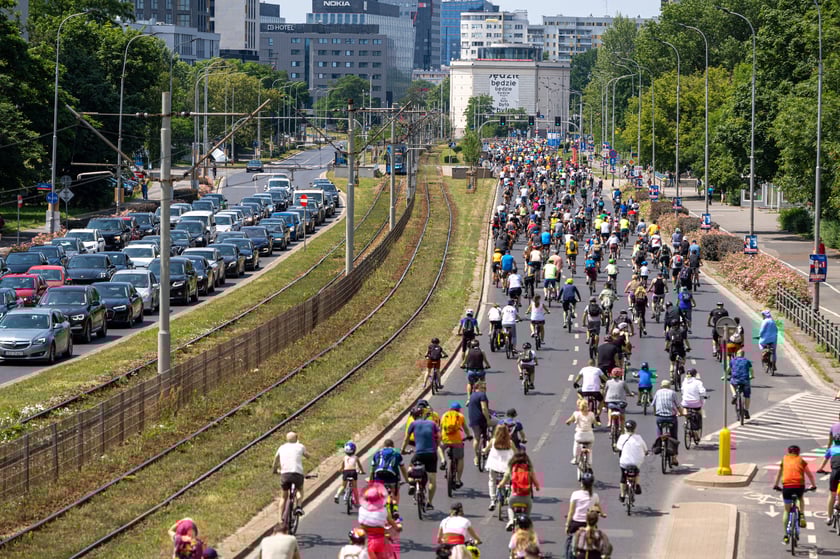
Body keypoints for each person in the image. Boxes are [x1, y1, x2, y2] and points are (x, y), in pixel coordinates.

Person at [773, 445, 817, 544]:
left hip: (787, 487)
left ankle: (785, 535)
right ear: (798, 452)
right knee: (801, 499)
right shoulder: (801, 460)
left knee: (786, 510)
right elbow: (809, 475)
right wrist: (813, 486)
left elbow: (779, 474)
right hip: (799, 487)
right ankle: (801, 514)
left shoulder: (784, 459)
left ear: (788, 451)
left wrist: (776, 485)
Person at [401, 407, 440, 510]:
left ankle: (412, 484)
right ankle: (430, 502)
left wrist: (403, 450)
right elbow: (439, 436)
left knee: (410, 469)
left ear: (413, 416)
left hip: (419, 454)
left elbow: (406, 438)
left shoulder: (413, 424)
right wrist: (436, 446)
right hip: (432, 453)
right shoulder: (432, 424)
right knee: (432, 480)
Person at [497, 450, 541, 530]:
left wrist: (500, 485)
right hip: (526, 498)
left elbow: (503, 482)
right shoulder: (529, 469)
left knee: (510, 506)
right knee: (529, 507)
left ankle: (510, 521)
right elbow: (536, 484)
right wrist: (537, 487)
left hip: (514, 496)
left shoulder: (511, 468)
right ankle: (526, 522)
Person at [358, 483, 402, 559]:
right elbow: (390, 520)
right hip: (380, 541)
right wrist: (397, 528)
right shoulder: (383, 511)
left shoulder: (362, 510)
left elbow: (361, 525)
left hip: (367, 541)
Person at [272, 432, 310, 518]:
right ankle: (299, 506)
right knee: (300, 489)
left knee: (283, 496)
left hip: (285, 474)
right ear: (296, 438)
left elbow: (275, 460)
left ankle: (279, 519)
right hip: (297, 474)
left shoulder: (282, 447)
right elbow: (308, 456)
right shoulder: (300, 446)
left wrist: (274, 470)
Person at [370, 438, 410, 517]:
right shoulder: (397, 454)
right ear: (393, 446)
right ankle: (395, 509)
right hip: (392, 477)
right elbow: (402, 469)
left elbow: (372, 469)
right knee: (395, 492)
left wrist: (371, 480)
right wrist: (407, 480)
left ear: (384, 446)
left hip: (379, 477)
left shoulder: (377, 454)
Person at [565, 472, 603, 555]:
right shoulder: (595, 496)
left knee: (569, 540)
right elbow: (599, 508)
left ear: (582, 483)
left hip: (576, 523)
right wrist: (602, 514)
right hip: (588, 524)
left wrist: (567, 525)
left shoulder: (575, 494)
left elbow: (571, 512)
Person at [652, 379, 683, 465]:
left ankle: (659, 439)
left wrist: (655, 413)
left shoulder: (658, 392)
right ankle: (674, 458)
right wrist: (681, 413)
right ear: (669, 386)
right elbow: (678, 405)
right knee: (674, 436)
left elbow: (653, 404)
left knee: (659, 428)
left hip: (660, 418)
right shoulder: (672, 393)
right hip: (671, 418)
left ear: (661, 386)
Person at [485, 423, 515, 511]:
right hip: (506, 466)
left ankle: (492, 501)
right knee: (509, 481)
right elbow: (516, 452)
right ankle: (507, 492)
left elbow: (486, 449)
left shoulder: (493, 441)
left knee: (492, 480)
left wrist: (483, 451)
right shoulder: (510, 442)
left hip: (494, 466)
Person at [617, 419, 648, 502]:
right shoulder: (639, 438)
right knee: (636, 472)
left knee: (623, 476)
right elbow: (645, 449)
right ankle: (637, 484)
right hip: (636, 463)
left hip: (624, 463)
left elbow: (619, 448)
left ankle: (622, 495)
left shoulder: (622, 437)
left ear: (625, 428)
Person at [440, 401, 467, 488]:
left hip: (445, 440)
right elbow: (465, 428)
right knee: (460, 459)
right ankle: (458, 480)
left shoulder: (444, 415)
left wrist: (440, 438)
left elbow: (440, 428)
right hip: (457, 442)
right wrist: (469, 436)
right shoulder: (460, 416)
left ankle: (443, 460)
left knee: (439, 447)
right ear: (459, 410)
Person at [566, 398, 597, 466]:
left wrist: (568, 422)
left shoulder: (576, 414)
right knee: (590, 449)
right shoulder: (591, 414)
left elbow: (569, 421)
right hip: (589, 436)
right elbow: (595, 422)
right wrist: (598, 423)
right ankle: (589, 462)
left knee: (576, 444)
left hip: (580, 436)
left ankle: (575, 458)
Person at [467, 381, 491, 464]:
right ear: (479, 387)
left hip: (473, 420)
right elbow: (484, 408)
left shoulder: (471, 396)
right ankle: (489, 445)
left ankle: (476, 457)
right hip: (481, 419)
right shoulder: (482, 395)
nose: (485, 389)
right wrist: (488, 420)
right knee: (497, 424)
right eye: (484, 388)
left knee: (476, 438)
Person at [335, 441, 366, 505]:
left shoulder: (344, 458)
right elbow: (360, 466)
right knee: (355, 487)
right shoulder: (356, 457)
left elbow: (342, 467)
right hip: (353, 472)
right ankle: (357, 501)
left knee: (343, 486)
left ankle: (337, 495)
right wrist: (362, 471)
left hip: (346, 472)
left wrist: (340, 470)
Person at [728, 349, 753, 419]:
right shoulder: (747, 361)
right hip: (745, 380)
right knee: (747, 395)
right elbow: (751, 370)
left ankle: (734, 395)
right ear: (743, 355)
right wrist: (752, 376)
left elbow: (728, 369)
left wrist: (725, 375)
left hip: (735, 380)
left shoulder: (733, 360)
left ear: (737, 354)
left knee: (731, 384)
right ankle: (746, 410)